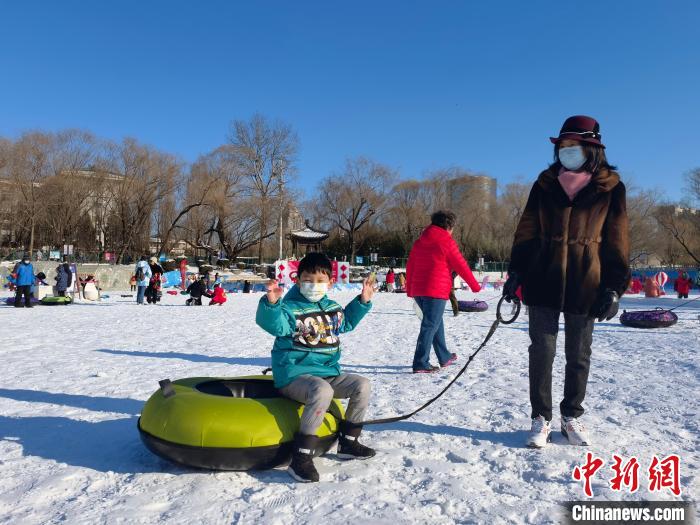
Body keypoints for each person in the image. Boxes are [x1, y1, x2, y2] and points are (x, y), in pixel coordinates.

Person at [504, 115, 630, 448]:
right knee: (541, 351)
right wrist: (515, 272)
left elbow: (617, 240)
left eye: (574, 145)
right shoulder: (544, 184)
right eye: (563, 145)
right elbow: (526, 232)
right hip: (542, 278)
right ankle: (540, 417)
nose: (567, 150)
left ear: (592, 149)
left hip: (586, 281)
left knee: (578, 354)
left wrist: (614, 287)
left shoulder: (611, 188)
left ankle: (571, 415)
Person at [256, 252, 375, 483]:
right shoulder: (289, 308)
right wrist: (271, 304)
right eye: (308, 280)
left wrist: (363, 302)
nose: (314, 286)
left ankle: (348, 443)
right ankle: (300, 457)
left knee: (362, 385)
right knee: (322, 391)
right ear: (298, 280)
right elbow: (276, 325)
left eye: (320, 281)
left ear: (330, 282)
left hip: (327, 372)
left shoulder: (331, 307)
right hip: (294, 376)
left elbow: (346, 322)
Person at [406, 211, 481, 373]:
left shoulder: (419, 242)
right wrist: (475, 286)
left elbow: (410, 265)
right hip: (436, 290)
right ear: (448, 226)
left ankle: (444, 356)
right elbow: (461, 265)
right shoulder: (446, 241)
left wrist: (410, 289)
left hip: (419, 290)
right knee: (430, 325)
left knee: (435, 322)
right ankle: (421, 363)